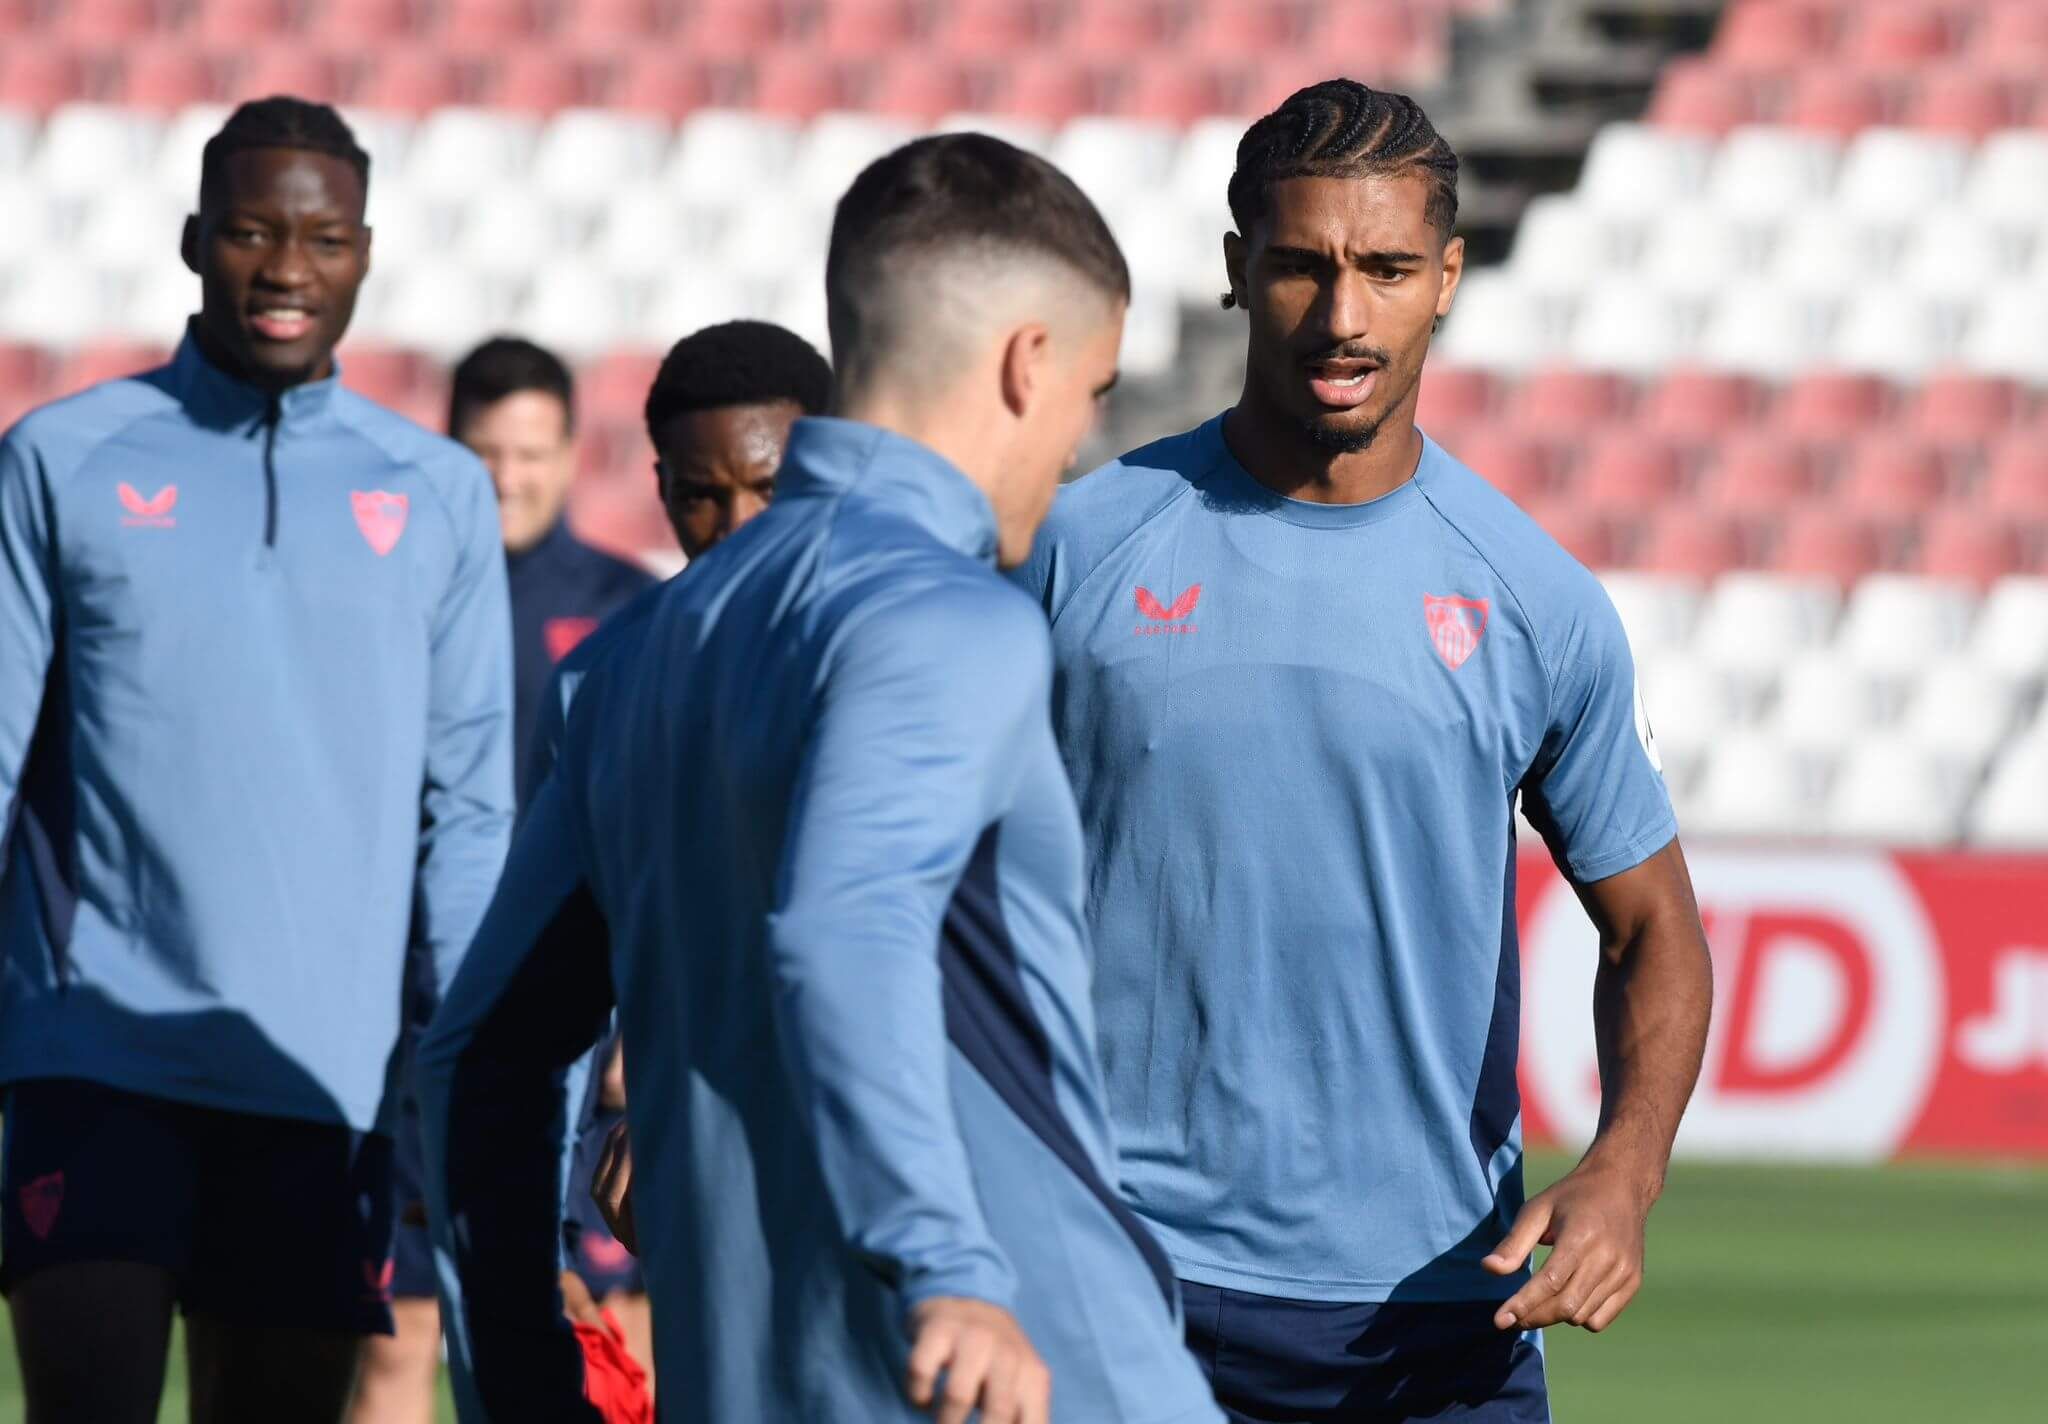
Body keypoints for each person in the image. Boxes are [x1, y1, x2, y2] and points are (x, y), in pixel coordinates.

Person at [420, 134, 1225, 1424]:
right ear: (1028, 362)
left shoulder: (627, 664)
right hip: (1027, 1366)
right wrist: (947, 1268)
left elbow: (478, 1062)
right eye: (1091, 389)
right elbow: (848, 926)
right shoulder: (948, 620)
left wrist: (518, 1384)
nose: (1080, 440)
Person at [1013, 79, 1715, 1423]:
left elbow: (1653, 930)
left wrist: (1627, 1166)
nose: (1343, 317)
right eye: (1302, 267)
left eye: (1387, 270)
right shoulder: (1078, 550)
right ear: (1236, 271)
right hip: (1116, 1284)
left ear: (1447, 277)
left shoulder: (1534, 599)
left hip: (1438, 1321)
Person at [0, 97, 512, 1424]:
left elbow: (470, 813)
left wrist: (473, 1063)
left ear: (365, 254)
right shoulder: (60, 458)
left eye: (324, 239)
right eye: (249, 232)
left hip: (323, 1082)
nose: (286, 269)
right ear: (192, 242)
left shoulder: (441, 492)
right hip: (91, 1051)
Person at [353, 334, 658, 1424]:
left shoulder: (632, 609)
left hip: (579, 1027)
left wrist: (628, 1017)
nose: (508, 476)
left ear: (572, 454)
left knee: (607, 1328)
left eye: (530, 452)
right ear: (451, 449)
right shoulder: (401, 599)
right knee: (398, 1337)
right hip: (414, 1026)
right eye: (485, 452)